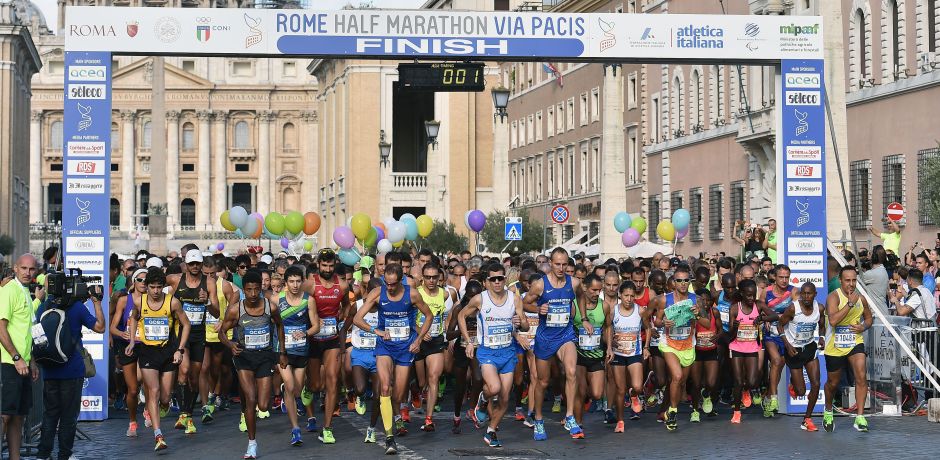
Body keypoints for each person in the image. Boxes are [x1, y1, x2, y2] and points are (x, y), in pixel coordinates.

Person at [352, 263, 433, 455]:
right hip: (385, 346)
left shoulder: (412, 294)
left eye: (393, 284)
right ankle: (390, 438)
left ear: (401, 280)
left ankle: (395, 415)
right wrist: (376, 331)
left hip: (405, 348)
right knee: (385, 388)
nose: (389, 287)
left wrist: (419, 340)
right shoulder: (377, 293)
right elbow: (357, 318)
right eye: (386, 283)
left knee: (397, 396)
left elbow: (429, 316)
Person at [218, 270, 287, 459]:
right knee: (251, 399)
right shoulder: (236, 310)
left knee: (263, 406)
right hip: (244, 357)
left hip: (264, 357)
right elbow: (222, 332)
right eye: (249, 290)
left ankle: (251, 406)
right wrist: (230, 344)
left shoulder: (270, 307)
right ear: (244, 290)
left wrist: (282, 352)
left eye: (257, 289)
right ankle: (252, 444)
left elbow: (280, 325)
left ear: (261, 289)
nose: (253, 294)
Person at [458, 263, 529, 448]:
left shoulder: (514, 299)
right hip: (487, 352)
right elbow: (461, 316)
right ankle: (482, 400)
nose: (497, 282)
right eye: (493, 279)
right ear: (487, 281)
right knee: (495, 387)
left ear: (505, 279)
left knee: (505, 398)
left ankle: (491, 431)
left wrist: (520, 322)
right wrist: (469, 341)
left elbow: (525, 325)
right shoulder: (480, 299)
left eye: (500, 278)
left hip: (508, 352)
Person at [36, 283, 106, 460]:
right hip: (72, 370)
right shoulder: (77, 307)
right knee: (68, 416)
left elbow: (37, 337)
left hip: (49, 369)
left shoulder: (43, 307)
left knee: (50, 414)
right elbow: (100, 327)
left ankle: (43, 455)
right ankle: (64, 455)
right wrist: (97, 302)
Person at [521, 247, 586, 441]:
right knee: (543, 382)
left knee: (571, 372)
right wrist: (538, 309)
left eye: (564, 264)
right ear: (550, 263)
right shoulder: (540, 284)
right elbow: (524, 303)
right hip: (545, 337)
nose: (561, 268)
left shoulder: (574, 283)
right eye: (557, 264)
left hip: (565, 334)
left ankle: (570, 417)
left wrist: (583, 318)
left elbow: (581, 296)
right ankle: (538, 419)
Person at [125, 267, 192, 452]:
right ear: (146, 287)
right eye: (152, 287)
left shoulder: (173, 302)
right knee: (153, 391)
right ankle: (158, 435)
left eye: (159, 287)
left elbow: (186, 325)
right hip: (148, 352)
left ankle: (165, 404)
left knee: (164, 397)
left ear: (163, 287)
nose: (155, 291)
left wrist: (180, 349)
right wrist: (132, 341)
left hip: (168, 351)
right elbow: (134, 318)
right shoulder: (139, 301)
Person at [166, 249, 220, 434]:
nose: (195, 266)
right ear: (186, 265)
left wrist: (207, 302)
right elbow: (153, 285)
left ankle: (187, 415)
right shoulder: (175, 280)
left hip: (198, 334)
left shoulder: (209, 282)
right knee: (184, 369)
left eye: (198, 263)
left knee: (195, 377)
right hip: (181, 332)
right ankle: (183, 412)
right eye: (191, 264)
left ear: (202, 264)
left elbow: (217, 313)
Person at [302, 248, 351, 441]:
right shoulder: (309, 285)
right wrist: (311, 320)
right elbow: (297, 305)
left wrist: (342, 317)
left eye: (331, 266)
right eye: (324, 265)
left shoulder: (343, 285)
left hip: (332, 339)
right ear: (318, 265)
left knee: (333, 381)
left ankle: (328, 428)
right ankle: (308, 387)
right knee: (316, 385)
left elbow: (347, 305)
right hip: (314, 340)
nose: (328, 269)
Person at [271, 265, 320, 446]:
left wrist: (305, 333)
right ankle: (295, 429)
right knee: (290, 387)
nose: (295, 285)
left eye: (298, 281)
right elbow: (269, 322)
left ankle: (288, 391)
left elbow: (316, 326)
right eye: (291, 281)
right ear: (286, 282)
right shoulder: (276, 300)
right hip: (282, 350)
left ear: (302, 282)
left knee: (297, 390)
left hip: (301, 350)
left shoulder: (309, 300)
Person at [822, 265, 873, 433]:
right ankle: (828, 410)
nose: (851, 284)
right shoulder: (833, 297)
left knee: (861, 376)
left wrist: (863, 327)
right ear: (840, 280)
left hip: (854, 342)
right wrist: (850, 304)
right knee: (833, 383)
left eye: (854, 280)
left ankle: (860, 417)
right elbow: (833, 321)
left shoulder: (861, 298)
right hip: (835, 345)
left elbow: (869, 318)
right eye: (847, 280)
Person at [0, 254, 39, 460]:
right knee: (5, 415)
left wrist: (31, 361)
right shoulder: (9, 290)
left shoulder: (25, 292)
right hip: (8, 363)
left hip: (22, 364)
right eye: (23, 268)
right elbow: (1, 328)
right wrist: (17, 358)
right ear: (15, 268)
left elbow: (26, 331)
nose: (27, 272)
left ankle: (15, 458)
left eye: (31, 269)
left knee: (18, 416)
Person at [651, 265, 700, 430]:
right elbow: (656, 320)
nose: (683, 283)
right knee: (677, 376)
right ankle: (672, 412)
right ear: (674, 282)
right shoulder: (664, 300)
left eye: (686, 280)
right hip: (669, 344)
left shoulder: (696, 299)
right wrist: (663, 322)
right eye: (679, 280)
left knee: (680, 382)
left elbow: (706, 323)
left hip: (687, 344)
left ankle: (668, 408)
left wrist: (698, 315)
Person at [777, 282, 825, 432]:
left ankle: (807, 419)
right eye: (803, 293)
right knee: (801, 391)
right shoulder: (793, 308)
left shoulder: (819, 308)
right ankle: (794, 384)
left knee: (816, 384)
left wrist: (822, 337)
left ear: (815, 294)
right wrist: (787, 345)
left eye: (809, 293)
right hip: (794, 351)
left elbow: (822, 324)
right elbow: (780, 325)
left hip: (809, 348)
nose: (806, 296)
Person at [727, 279, 775, 424]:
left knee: (753, 381)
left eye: (753, 295)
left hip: (752, 347)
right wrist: (735, 327)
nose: (751, 298)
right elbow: (730, 334)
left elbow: (774, 316)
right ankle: (737, 412)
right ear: (742, 294)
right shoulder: (735, 308)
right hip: (736, 347)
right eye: (748, 295)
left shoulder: (758, 305)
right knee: (738, 381)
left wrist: (762, 318)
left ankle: (746, 389)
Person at [413, 262, 453, 432]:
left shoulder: (445, 294)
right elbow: (408, 318)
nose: (431, 280)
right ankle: (416, 392)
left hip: (436, 340)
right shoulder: (416, 293)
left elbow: (447, 315)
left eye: (434, 277)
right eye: (428, 277)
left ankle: (429, 419)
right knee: (422, 382)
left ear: (439, 278)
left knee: (434, 377)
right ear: (422, 277)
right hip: (418, 341)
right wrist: (420, 332)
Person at [605, 281, 647, 433]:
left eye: (632, 296)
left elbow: (648, 328)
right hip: (618, 354)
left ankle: (634, 395)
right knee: (620, 389)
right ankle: (620, 421)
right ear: (620, 295)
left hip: (634, 353)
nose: (629, 299)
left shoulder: (640, 311)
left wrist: (646, 347)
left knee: (637, 386)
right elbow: (608, 328)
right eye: (626, 295)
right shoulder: (613, 311)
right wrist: (609, 347)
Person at [110, 268, 147, 435]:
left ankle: (148, 409)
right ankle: (132, 421)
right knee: (132, 389)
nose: (143, 283)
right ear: (134, 281)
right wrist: (121, 333)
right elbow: (112, 327)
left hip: (146, 345)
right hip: (128, 346)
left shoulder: (153, 299)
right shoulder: (124, 300)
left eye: (146, 280)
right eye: (140, 280)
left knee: (147, 382)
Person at [348, 278, 384, 443]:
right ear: (368, 292)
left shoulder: (385, 308)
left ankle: (371, 429)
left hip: (379, 354)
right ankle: (359, 395)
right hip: (360, 353)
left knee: (378, 396)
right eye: (374, 293)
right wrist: (342, 349)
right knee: (360, 388)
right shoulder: (357, 306)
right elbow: (345, 327)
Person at [572, 274, 607, 427]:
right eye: (594, 290)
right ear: (585, 288)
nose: (597, 293)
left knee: (597, 394)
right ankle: (578, 424)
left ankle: (585, 398)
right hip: (578, 355)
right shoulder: (574, 305)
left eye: (599, 290)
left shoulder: (604, 306)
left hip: (596, 354)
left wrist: (610, 347)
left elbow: (608, 326)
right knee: (579, 391)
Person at [762, 264, 795, 417]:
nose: (784, 280)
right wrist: (765, 317)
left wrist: (778, 317)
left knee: (779, 365)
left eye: (787, 277)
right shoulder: (766, 291)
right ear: (774, 277)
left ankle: (768, 397)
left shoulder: (793, 291)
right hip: (770, 334)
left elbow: (797, 311)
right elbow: (759, 307)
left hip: (786, 334)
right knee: (775, 360)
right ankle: (774, 398)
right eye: (781, 277)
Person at [690, 288, 722, 418]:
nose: (705, 303)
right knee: (696, 383)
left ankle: (706, 394)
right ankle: (695, 411)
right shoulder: (692, 314)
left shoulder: (715, 312)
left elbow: (721, 330)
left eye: (708, 300)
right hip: (696, 351)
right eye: (702, 300)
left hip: (711, 351)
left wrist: (718, 336)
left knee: (711, 383)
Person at [860, 246, 889, 313]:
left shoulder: (872, 274)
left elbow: (854, 279)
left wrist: (851, 265)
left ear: (874, 256)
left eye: (870, 253)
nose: (867, 255)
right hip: (882, 309)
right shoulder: (882, 270)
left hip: (876, 312)